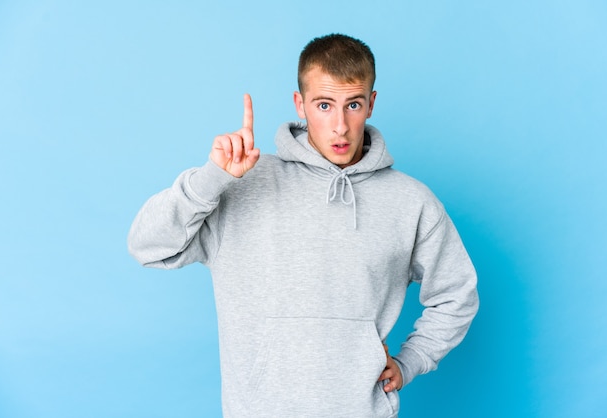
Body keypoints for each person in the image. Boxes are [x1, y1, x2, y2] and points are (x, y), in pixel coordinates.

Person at [128, 33, 479, 418]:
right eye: (324, 105)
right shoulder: (241, 181)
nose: (340, 126)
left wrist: (411, 360)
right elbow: (147, 246)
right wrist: (211, 178)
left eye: (353, 105)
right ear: (300, 104)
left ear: (371, 104)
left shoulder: (410, 201)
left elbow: (456, 293)